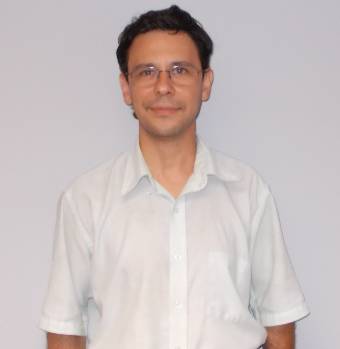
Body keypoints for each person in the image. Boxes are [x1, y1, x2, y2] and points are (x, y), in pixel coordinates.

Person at [40, 5, 309, 349]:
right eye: (147, 72)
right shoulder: (85, 200)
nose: (163, 86)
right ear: (126, 88)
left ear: (205, 83)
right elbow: (64, 327)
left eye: (179, 70)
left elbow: (279, 321)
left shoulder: (248, 191)